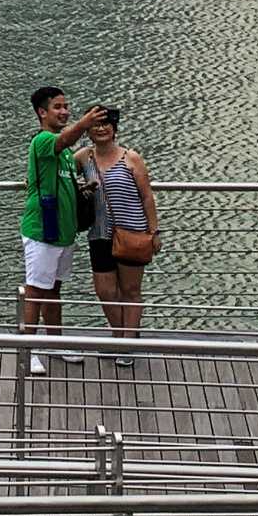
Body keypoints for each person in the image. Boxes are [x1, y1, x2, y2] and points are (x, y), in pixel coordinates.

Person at [19, 87, 110, 374]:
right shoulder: (43, 141)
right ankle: (27, 349)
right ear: (41, 113)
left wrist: (83, 189)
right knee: (36, 290)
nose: (64, 111)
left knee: (54, 289)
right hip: (43, 231)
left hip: (63, 232)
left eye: (66, 106)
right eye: (57, 107)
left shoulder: (67, 155)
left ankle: (55, 343)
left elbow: (62, 174)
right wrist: (85, 123)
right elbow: (63, 140)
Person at [83, 105, 160, 367]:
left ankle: (126, 343)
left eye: (107, 124)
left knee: (130, 290)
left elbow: (147, 196)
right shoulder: (83, 158)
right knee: (104, 290)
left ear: (115, 128)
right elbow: (59, 171)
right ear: (88, 130)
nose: (102, 129)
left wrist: (153, 231)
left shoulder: (131, 158)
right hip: (99, 234)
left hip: (133, 232)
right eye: (96, 125)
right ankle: (121, 336)